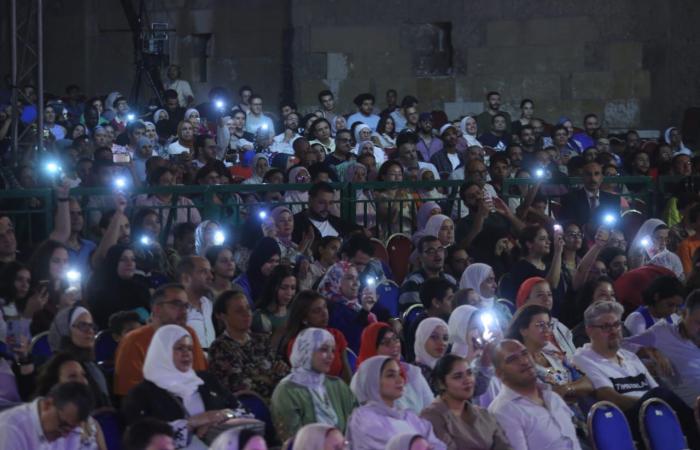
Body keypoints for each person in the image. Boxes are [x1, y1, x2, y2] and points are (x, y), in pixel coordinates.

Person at [573, 301, 699, 445]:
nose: (614, 331)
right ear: (589, 330)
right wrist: (651, 404)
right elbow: (610, 398)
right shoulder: (583, 358)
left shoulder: (630, 357)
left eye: (616, 325)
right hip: (623, 420)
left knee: (662, 396)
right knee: (662, 396)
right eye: (606, 327)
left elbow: (654, 389)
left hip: (656, 417)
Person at [123, 325, 256, 449]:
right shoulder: (141, 393)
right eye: (180, 348)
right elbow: (139, 440)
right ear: (162, 351)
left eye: (189, 349)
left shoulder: (205, 380)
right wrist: (192, 423)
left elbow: (246, 412)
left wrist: (219, 417)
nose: (186, 353)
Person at [114, 284, 208, 396]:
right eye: (177, 304)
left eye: (186, 306)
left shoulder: (189, 334)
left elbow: (201, 377)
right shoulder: (133, 340)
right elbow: (130, 394)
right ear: (157, 309)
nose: (184, 311)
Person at [488, 339, 582, 450]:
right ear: (499, 374)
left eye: (524, 353)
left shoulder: (552, 396)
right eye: (512, 359)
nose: (524, 361)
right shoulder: (503, 411)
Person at [271, 327, 356, 442]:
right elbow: (293, 441)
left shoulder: (337, 385)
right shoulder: (287, 391)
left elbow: (356, 425)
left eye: (333, 350)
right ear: (306, 350)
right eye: (324, 349)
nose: (331, 356)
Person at [346, 355, 446, 450]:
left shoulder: (409, 417)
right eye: (390, 375)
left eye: (399, 374)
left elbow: (437, 445)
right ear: (373, 381)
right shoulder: (363, 418)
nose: (400, 380)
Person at [624, 289, 700, 408]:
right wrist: (651, 351)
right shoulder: (662, 332)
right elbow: (620, 346)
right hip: (686, 411)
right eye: (698, 322)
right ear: (684, 314)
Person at [420, 354, 512, 450]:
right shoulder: (431, 417)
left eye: (469, 373)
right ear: (441, 384)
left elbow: (504, 446)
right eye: (458, 376)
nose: (467, 380)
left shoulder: (483, 414)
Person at [209, 290, 289, 400]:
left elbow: (283, 370)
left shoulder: (262, 339)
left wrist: (265, 376)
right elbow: (241, 385)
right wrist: (272, 375)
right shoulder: (220, 347)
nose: (246, 313)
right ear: (222, 316)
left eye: (248, 308)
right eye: (239, 311)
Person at [354, 322, 434, 414]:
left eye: (395, 339)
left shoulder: (411, 372)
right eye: (386, 342)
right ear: (372, 348)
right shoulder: (362, 381)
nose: (394, 345)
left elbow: (431, 410)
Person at [33, 353, 107, 450]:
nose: (82, 381)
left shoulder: (92, 424)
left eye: (83, 375)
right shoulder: (43, 429)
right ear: (55, 384)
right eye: (72, 376)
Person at [47, 306, 111, 408]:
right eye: (82, 325)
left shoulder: (90, 364)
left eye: (91, 326)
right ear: (65, 329)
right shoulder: (61, 368)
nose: (90, 331)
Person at [0, 382, 94, 450]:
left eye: (71, 429)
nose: (65, 436)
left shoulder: (71, 429)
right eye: (63, 425)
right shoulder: (10, 429)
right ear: (47, 404)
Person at [317, 261, 384, 352]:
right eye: (349, 278)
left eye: (357, 278)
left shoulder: (356, 304)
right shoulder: (331, 309)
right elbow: (350, 344)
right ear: (336, 280)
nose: (356, 283)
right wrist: (364, 312)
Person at [86, 244, 151, 329]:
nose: (130, 263)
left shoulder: (141, 289)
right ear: (113, 262)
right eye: (123, 260)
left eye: (133, 259)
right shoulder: (101, 294)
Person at [399, 236, 457, 310]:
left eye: (440, 249)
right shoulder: (413, 282)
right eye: (431, 251)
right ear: (420, 257)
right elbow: (414, 315)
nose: (438, 255)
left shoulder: (450, 280)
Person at [292, 182, 361, 243]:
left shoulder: (335, 221)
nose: (327, 207)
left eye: (330, 203)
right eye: (322, 203)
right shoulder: (296, 224)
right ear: (310, 200)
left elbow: (356, 229)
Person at [558, 161, 620, 227]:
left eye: (596, 174)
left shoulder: (613, 200)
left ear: (602, 178)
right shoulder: (569, 199)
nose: (593, 179)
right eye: (588, 174)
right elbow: (566, 224)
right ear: (582, 177)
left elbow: (616, 225)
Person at [177, 256, 216, 348]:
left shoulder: (208, 304)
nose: (211, 276)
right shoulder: (174, 309)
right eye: (204, 271)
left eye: (210, 271)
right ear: (186, 278)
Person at [252, 264, 297, 341]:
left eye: (293, 288)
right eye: (284, 288)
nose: (289, 292)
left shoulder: (294, 314)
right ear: (273, 287)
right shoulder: (260, 317)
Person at [234, 237, 281, 306]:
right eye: (270, 261)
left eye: (277, 261)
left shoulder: (278, 280)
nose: (274, 265)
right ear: (259, 261)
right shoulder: (242, 284)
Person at [412, 318, 450, 393]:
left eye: (445, 338)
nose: (442, 343)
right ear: (422, 338)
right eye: (434, 337)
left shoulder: (445, 368)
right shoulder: (414, 373)